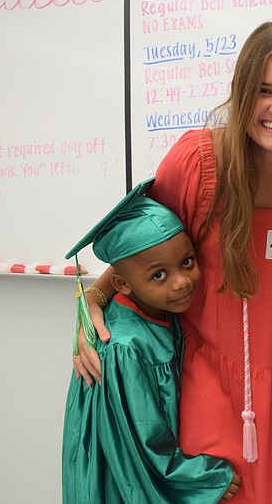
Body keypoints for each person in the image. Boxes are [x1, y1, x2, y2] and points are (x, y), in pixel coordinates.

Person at [72, 21, 272, 504]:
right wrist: (92, 301)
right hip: (203, 387)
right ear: (241, 91)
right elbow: (143, 255)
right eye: (264, 90)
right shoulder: (197, 160)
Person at [62, 179, 241, 503]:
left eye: (187, 262)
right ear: (122, 284)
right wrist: (203, 479)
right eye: (159, 275)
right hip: (121, 476)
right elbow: (140, 446)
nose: (182, 282)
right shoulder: (124, 349)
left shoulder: (157, 311)